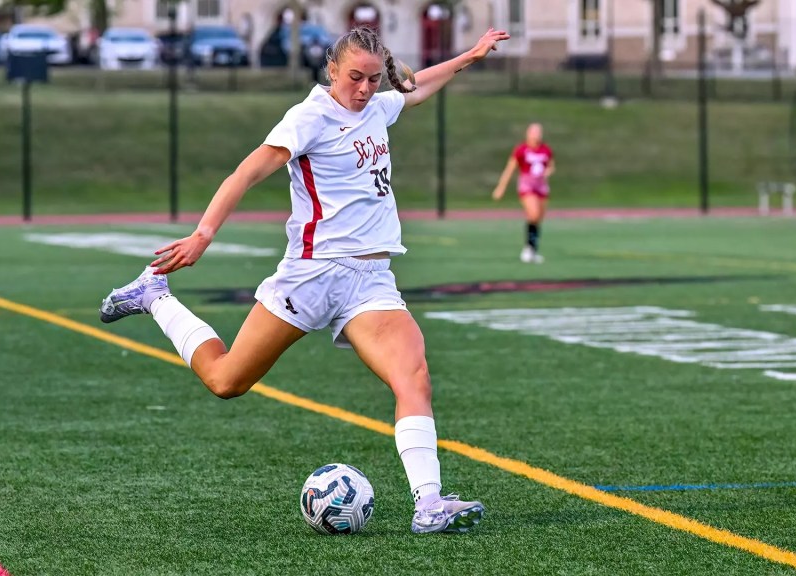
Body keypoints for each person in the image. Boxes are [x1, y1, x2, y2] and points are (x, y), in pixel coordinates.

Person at [100, 25, 509, 534]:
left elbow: (417, 87)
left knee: (415, 377)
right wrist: (203, 234)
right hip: (313, 275)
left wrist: (471, 55)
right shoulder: (309, 117)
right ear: (332, 69)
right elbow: (246, 173)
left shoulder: (376, 107)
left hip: (371, 281)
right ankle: (155, 296)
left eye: (373, 79)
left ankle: (428, 504)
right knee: (227, 381)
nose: (364, 88)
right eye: (354, 77)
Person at [492, 123, 555, 263]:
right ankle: (528, 249)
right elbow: (510, 169)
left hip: (541, 185)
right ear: (527, 133)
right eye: (533, 132)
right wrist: (501, 188)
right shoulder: (521, 150)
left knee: (538, 218)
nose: (536, 135)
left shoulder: (546, 149)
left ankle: (532, 248)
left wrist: (548, 172)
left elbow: (551, 165)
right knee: (533, 214)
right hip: (527, 184)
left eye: (538, 132)